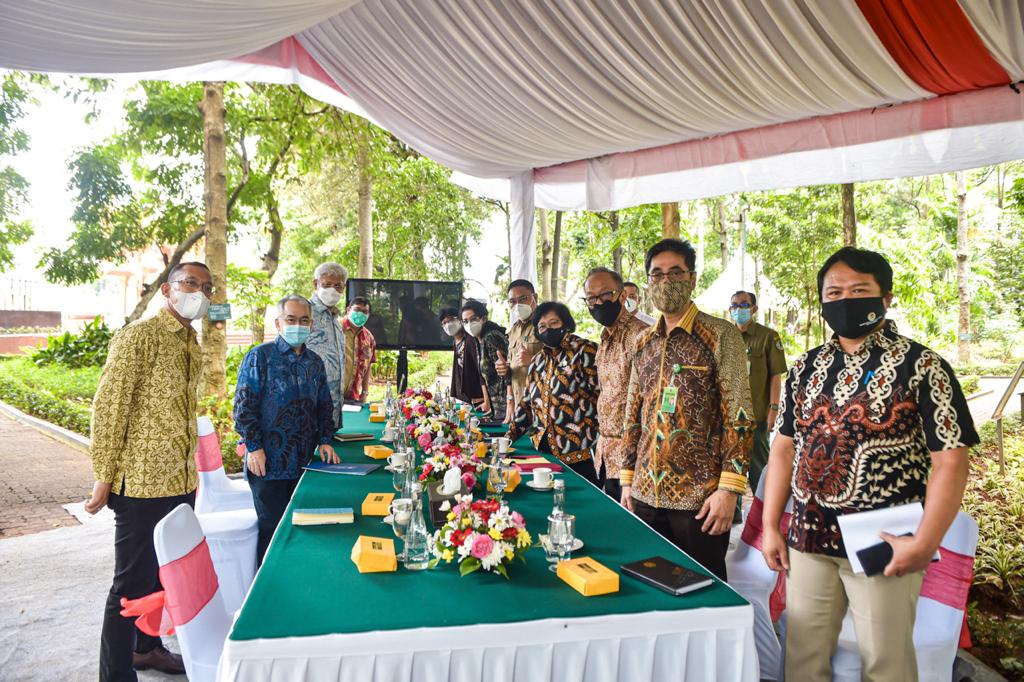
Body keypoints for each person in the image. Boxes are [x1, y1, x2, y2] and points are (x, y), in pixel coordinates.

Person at [760, 247, 979, 682]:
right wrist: (770, 525)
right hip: (809, 536)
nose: (845, 300)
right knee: (803, 655)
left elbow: (951, 461)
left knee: (885, 661)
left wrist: (923, 542)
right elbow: (783, 449)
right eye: (834, 292)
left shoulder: (923, 366)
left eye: (859, 290)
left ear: (886, 297)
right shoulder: (805, 367)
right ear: (822, 300)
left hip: (884, 537)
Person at [88, 261, 211, 680]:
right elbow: (109, 407)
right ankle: (116, 673)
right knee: (129, 586)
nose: (200, 292)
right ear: (168, 289)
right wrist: (104, 475)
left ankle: (147, 647)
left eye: (206, 287)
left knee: (165, 575)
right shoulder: (139, 336)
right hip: (142, 483)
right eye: (191, 283)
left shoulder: (192, 343)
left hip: (180, 479)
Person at [620, 239, 753, 581]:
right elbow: (633, 414)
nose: (666, 282)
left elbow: (739, 416)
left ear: (692, 278)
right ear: (649, 282)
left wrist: (729, 490)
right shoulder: (643, 343)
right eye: (657, 274)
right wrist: (627, 481)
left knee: (703, 593)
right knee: (650, 589)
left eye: (675, 273)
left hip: (701, 499)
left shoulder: (720, 335)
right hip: (645, 497)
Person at [234, 295, 339, 564]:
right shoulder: (259, 357)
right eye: (291, 319)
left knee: (304, 529)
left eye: (304, 320)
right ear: (278, 322)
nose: (298, 325)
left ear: (312, 324)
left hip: (306, 464)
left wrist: (326, 440)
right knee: (272, 532)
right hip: (268, 464)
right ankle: (264, 592)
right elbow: (244, 407)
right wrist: (254, 447)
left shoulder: (314, 361)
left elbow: (324, 405)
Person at [507, 302, 602, 487]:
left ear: (566, 324)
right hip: (543, 453)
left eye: (554, 323)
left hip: (579, 455)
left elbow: (604, 398)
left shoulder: (585, 351)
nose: (548, 329)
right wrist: (507, 438)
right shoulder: (538, 360)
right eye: (542, 326)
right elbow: (527, 404)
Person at [584, 267, 647, 501]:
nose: (598, 303)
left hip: (635, 459)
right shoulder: (604, 337)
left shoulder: (640, 336)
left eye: (605, 295)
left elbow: (648, 402)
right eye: (591, 298)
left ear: (621, 295)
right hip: (607, 455)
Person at [728, 290, 786, 494]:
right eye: (734, 305)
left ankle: (763, 512)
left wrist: (774, 409)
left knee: (758, 468)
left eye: (744, 305)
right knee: (730, 467)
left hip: (758, 415)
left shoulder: (768, 337)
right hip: (729, 415)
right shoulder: (725, 337)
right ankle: (733, 514)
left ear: (754, 308)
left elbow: (776, 376)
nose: (738, 309)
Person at [494, 279, 542, 423]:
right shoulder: (514, 329)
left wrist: (534, 361)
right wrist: (504, 369)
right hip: (519, 402)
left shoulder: (545, 324)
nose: (518, 305)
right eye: (512, 301)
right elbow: (511, 368)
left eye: (523, 299)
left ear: (535, 297)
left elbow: (561, 362)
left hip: (540, 403)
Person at [307, 262, 347, 430]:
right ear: (316, 284)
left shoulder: (336, 320)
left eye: (338, 286)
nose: (332, 290)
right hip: (309, 408)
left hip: (333, 409)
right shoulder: (303, 313)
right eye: (327, 284)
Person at [460, 299, 510, 420]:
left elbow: (508, 374)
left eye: (473, 319)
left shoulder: (491, 337)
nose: (469, 324)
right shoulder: (479, 339)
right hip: (497, 409)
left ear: (484, 318)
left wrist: (511, 403)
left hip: (507, 408)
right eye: (465, 321)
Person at [440, 307, 484, 406]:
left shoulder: (471, 339)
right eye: (444, 323)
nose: (448, 325)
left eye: (451, 320)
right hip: (467, 398)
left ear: (460, 320)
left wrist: (485, 398)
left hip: (480, 396)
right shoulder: (455, 342)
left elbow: (480, 369)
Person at [342, 295, 377, 403]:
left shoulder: (369, 337)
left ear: (368, 315)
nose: (360, 314)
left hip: (353, 397)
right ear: (348, 310)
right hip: (331, 396)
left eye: (364, 312)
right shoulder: (336, 329)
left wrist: (365, 392)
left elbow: (368, 366)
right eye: (357, 310)